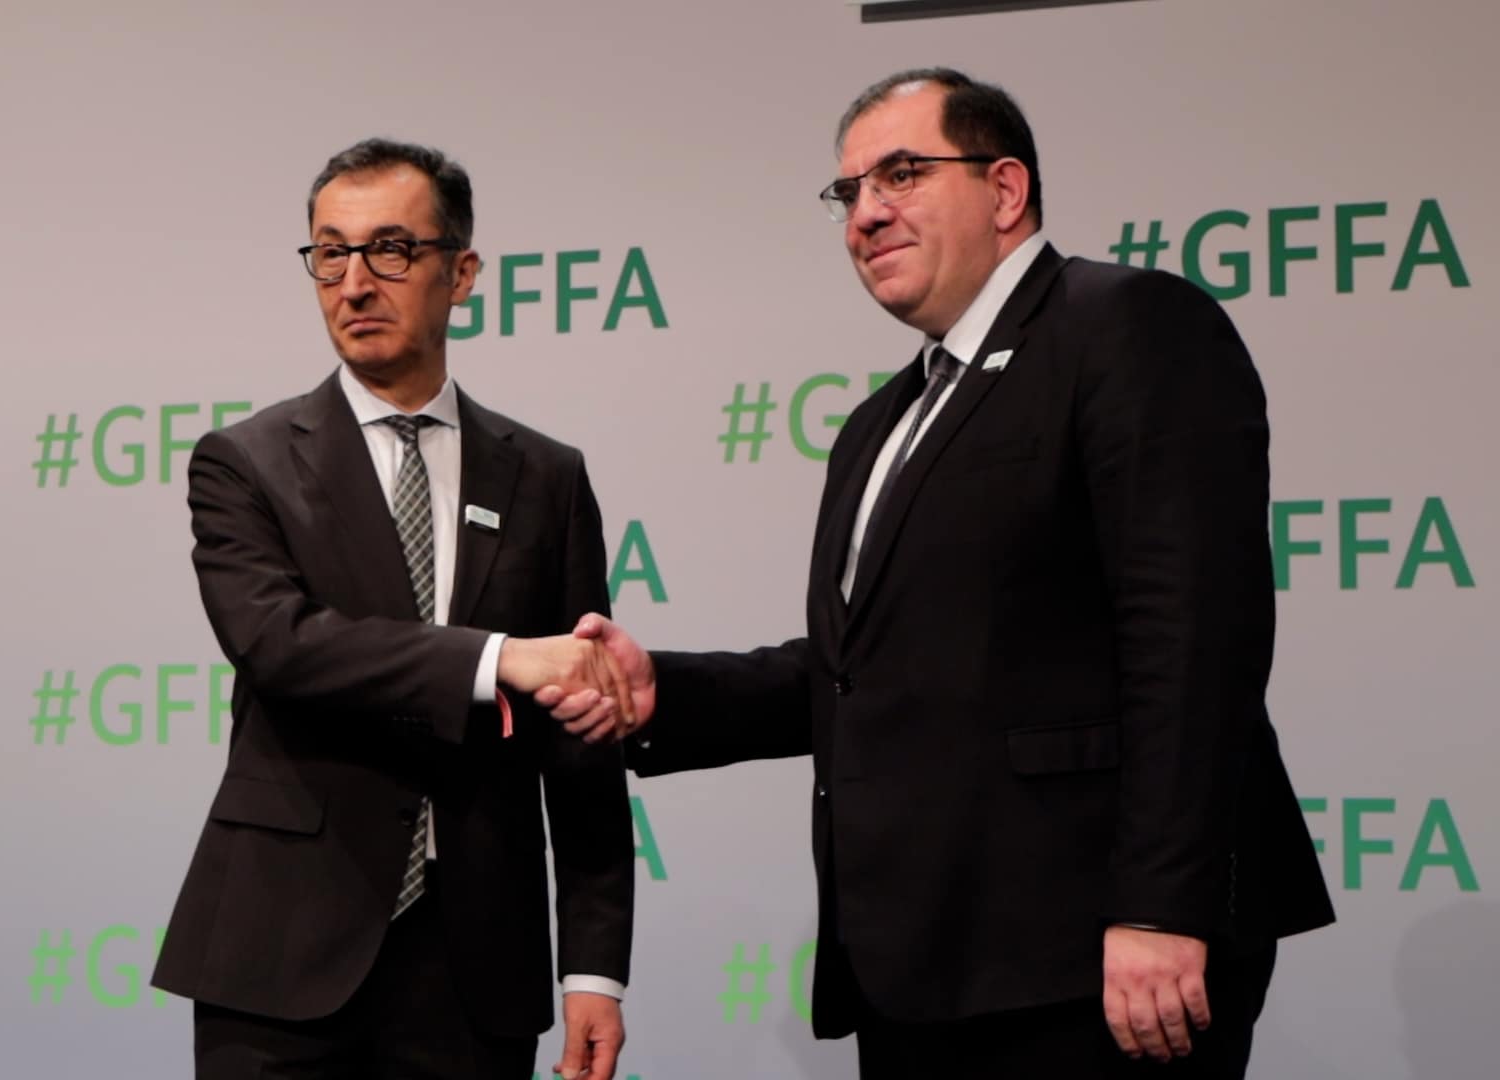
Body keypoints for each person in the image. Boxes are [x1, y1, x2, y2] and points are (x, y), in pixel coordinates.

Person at [551, 69, 1335, 1077]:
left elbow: (1193, 639)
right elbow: (859, 672)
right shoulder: (879, 423)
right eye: (849, 192)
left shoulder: (1128, 324)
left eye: (903, 174)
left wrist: (1158, 905)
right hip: (924, 964)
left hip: (1095, 954)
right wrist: (668, 691)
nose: (867, 213)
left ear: (1005, 190)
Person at [150, 137, 634, 1080]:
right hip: (281, 951)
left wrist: (594, 966)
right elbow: (281, 646)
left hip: (477, 962)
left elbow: (584, 730)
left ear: (462, 273)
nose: (355, 284)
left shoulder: (545, 476)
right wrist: (497, 658)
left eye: (390, 250)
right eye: (330, 254)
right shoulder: (245, 462)